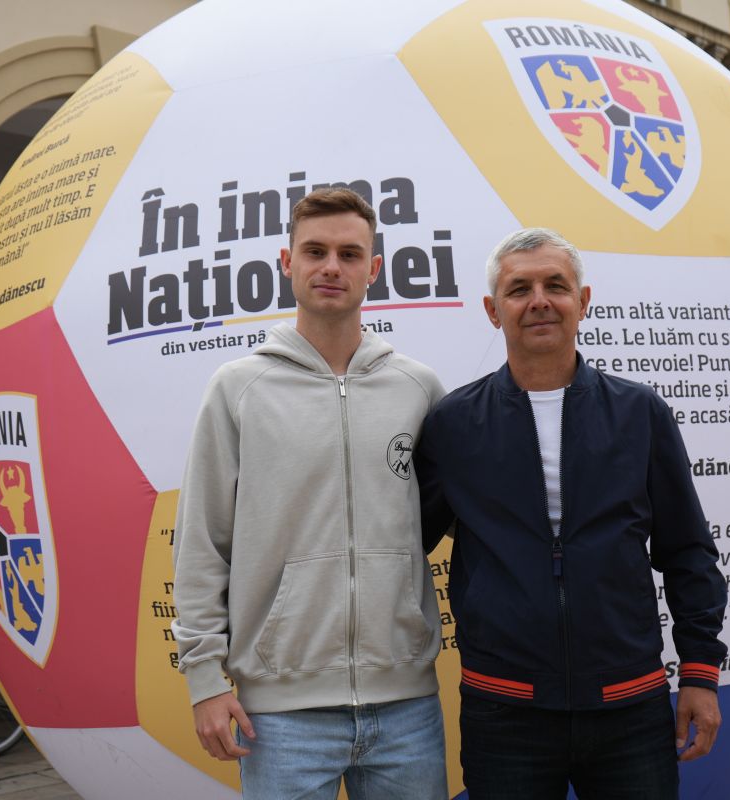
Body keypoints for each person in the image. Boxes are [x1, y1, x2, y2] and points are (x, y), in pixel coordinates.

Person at [416, 228, 727, 799]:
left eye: (555, 285)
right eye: (519, 289)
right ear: (493, 310)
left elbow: (687, 550)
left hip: (629, 708)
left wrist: (701, 674)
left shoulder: (641, 413)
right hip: (503, 712)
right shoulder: (453, 425)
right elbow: (401, 542)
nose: (538, 300)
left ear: (583, 301)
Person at [172, 188, 448, 799]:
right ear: (286, 262)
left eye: (350, 253)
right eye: (315, 251)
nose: (332, 266)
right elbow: (202, 542)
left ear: (374, 269)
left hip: (407, 709)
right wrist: (204, 679)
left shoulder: (418, 389)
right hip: (280, 718)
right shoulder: (239, 388)